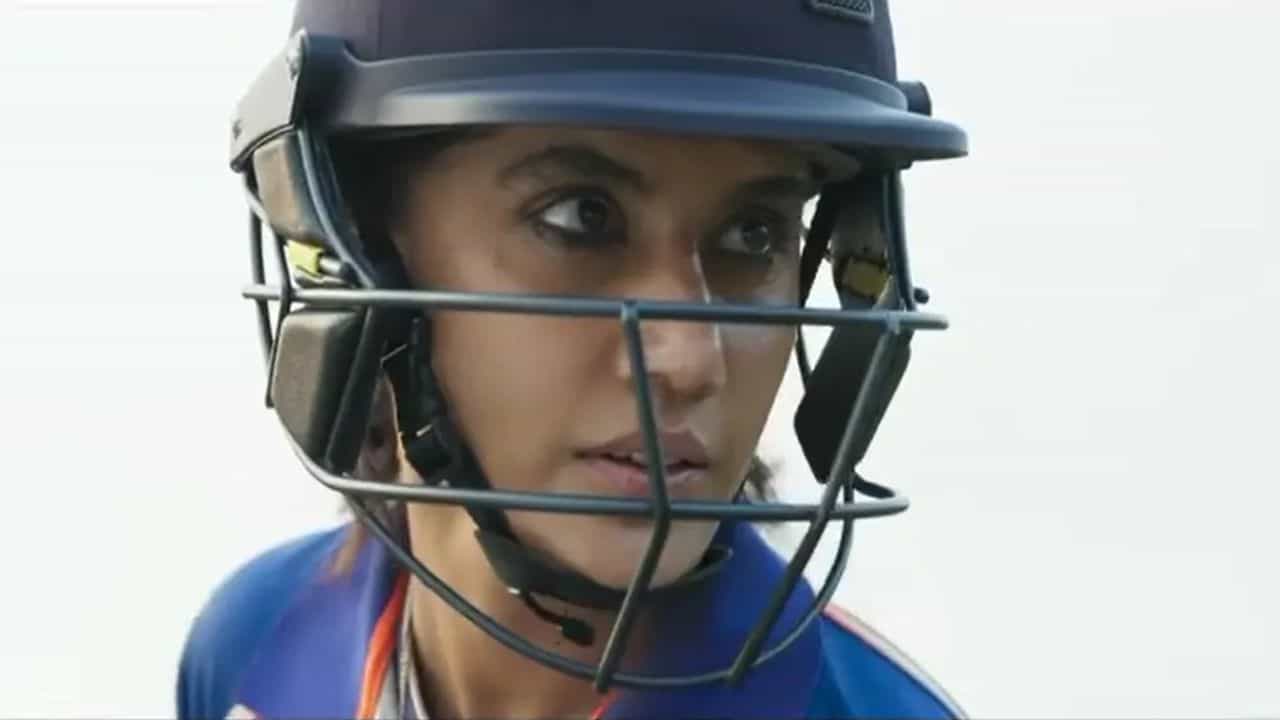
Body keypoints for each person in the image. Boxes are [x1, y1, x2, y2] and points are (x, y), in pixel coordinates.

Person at [177, 1, 970, 717]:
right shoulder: (255, 651)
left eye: (754, 234)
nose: (690, 361)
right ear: (360, 247)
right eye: (582, 218)